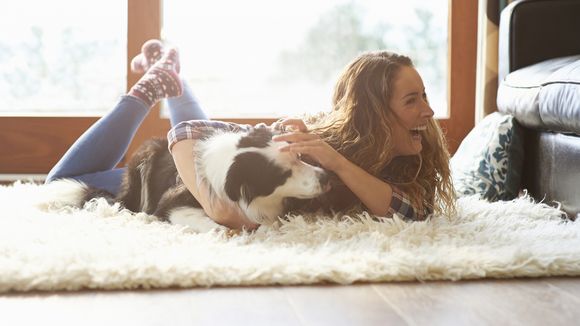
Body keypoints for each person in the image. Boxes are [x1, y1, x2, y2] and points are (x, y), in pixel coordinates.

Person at [46, 39, 456, 231]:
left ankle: (170, 76)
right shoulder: (308, 137)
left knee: (65, 181)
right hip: (186, 167)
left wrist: (337, 163)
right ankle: (146, 93)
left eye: (425, 96)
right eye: (412, 100)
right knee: (58, 184)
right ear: (375, 115)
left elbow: (413, 212)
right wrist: (215, 203)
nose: (428, 111)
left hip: (203, 165)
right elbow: (190, 133)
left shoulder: (417, 156)